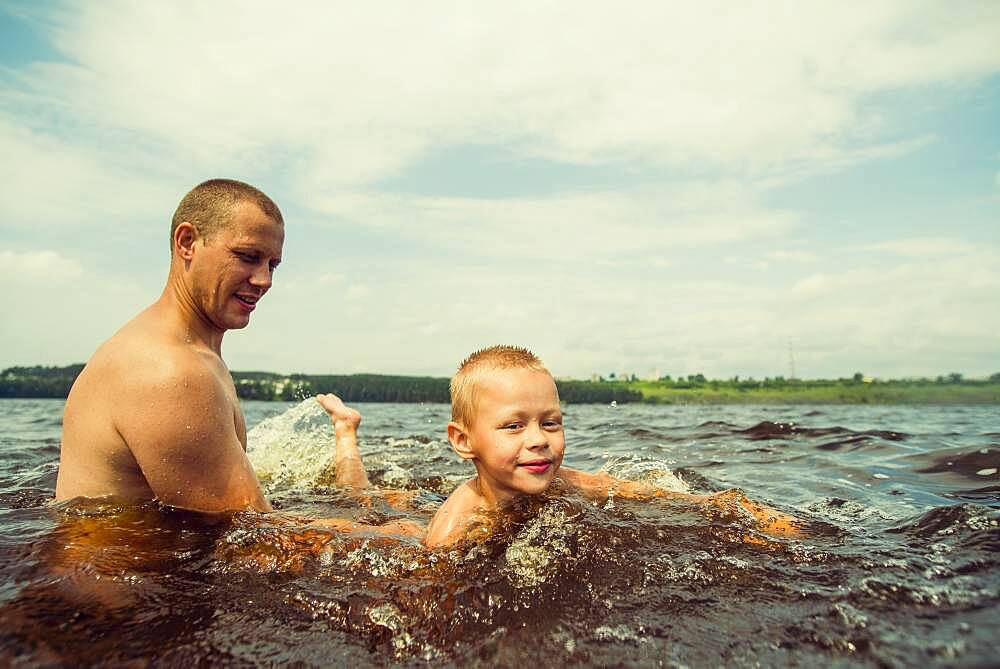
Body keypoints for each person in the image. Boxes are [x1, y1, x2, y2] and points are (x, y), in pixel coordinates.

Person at [316, 345, 802, 549]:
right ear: (464, 441)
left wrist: (734, 511)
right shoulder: (455, 527)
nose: (539, 441)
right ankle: (346, 433)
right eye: (513, 426)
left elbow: (640, 493)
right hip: (413, 528)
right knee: (365, 507)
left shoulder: (562, 480)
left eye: (551, 422)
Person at [56, 179, 283, 512]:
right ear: (187, 242)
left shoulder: (193, 352)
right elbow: (256, 542)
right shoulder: (168, 370)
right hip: (122, 565)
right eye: (247, 256)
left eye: (272, 265)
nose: (264, 280)